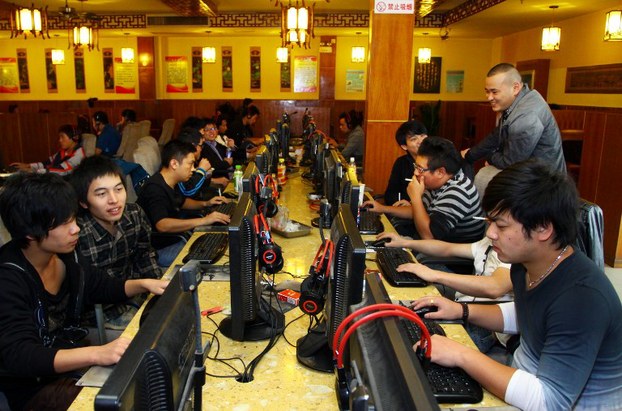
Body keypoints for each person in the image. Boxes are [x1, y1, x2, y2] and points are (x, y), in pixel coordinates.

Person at [412, 159, 622, 410]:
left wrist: (461, 354)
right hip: (522, 382)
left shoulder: (582, 299)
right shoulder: (528, 263)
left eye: (500, 225)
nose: (490, 233)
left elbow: (550, 401)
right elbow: (529, 312)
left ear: (543, 228)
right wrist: (462, 310)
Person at [0, 172, 168, 411]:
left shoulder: (67, 256)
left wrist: (145, 284)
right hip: (35, 389)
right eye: (65, 223)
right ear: (30, 232)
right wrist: (96, 354)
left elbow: (101, 286)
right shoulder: (9, 278)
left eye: (74, 219)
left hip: (74, 366)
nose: (76, 229)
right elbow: (20, 355)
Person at [376, 231, 512, 352]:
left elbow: (495, 287)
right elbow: (448, 248)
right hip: (461, 307)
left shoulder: (513, 251)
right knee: (395, 320)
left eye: (500, 224)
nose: (489, 231)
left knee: (405, 343)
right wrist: (405, 242)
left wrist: (435, 275)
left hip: (483, 327)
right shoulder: (490, 241)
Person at [70, 156, 162, 330]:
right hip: (100, 315)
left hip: (137, 297)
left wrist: (157, 288)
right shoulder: (77, 234)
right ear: (83, 202)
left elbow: (145, 254)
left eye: (118, 189)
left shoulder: (134, 214)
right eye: (101, 194)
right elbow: (85, 291)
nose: (114, 200)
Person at [461, 63, 566, 194]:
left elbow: (510, 163)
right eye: (487, 91)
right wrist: (472, 154)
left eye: (494, 92)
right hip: (528, 173)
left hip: (544, 186)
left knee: (484, 178)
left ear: (515, 88)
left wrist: (490, 157)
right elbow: (497, 134)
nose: (489, 97)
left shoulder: (526, 118)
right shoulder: (522, 97)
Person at [364, 136, 485, 243]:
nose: (415, 172)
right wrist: (382, 208)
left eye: (420, 169)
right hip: (430, 245)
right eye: (415, 166)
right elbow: (419, 211)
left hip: (447, 259)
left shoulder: (458, 191)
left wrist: (415, 197)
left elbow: (429, 237)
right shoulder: (436, 182)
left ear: (440, 172)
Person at [136, 140, 231, 266]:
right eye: (190, 164)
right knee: (212, 259)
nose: (193, 169)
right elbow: (162, 225)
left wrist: (206, 203)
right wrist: (204, 220)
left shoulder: (169, 182)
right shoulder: (155, 188)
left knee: (217, 248)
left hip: (174, 239)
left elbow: (182, 202)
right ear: (174, 164)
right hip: (156, 251)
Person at [11, 124, 86, 176]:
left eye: (62, 137)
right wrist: (28, 165)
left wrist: (33, 171)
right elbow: (46, 163)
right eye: (59, 137)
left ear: (75, 137)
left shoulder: (79, 155)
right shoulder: (63, 151)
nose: (60, 140)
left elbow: (62, 170)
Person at [383, 120, 428, 206]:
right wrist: (400, 204)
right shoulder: (401, 163)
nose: (421, 141)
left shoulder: (438, 161)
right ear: (404, 146)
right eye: (414, 139)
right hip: (405, 212)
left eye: (422, 136)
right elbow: (390, 194)